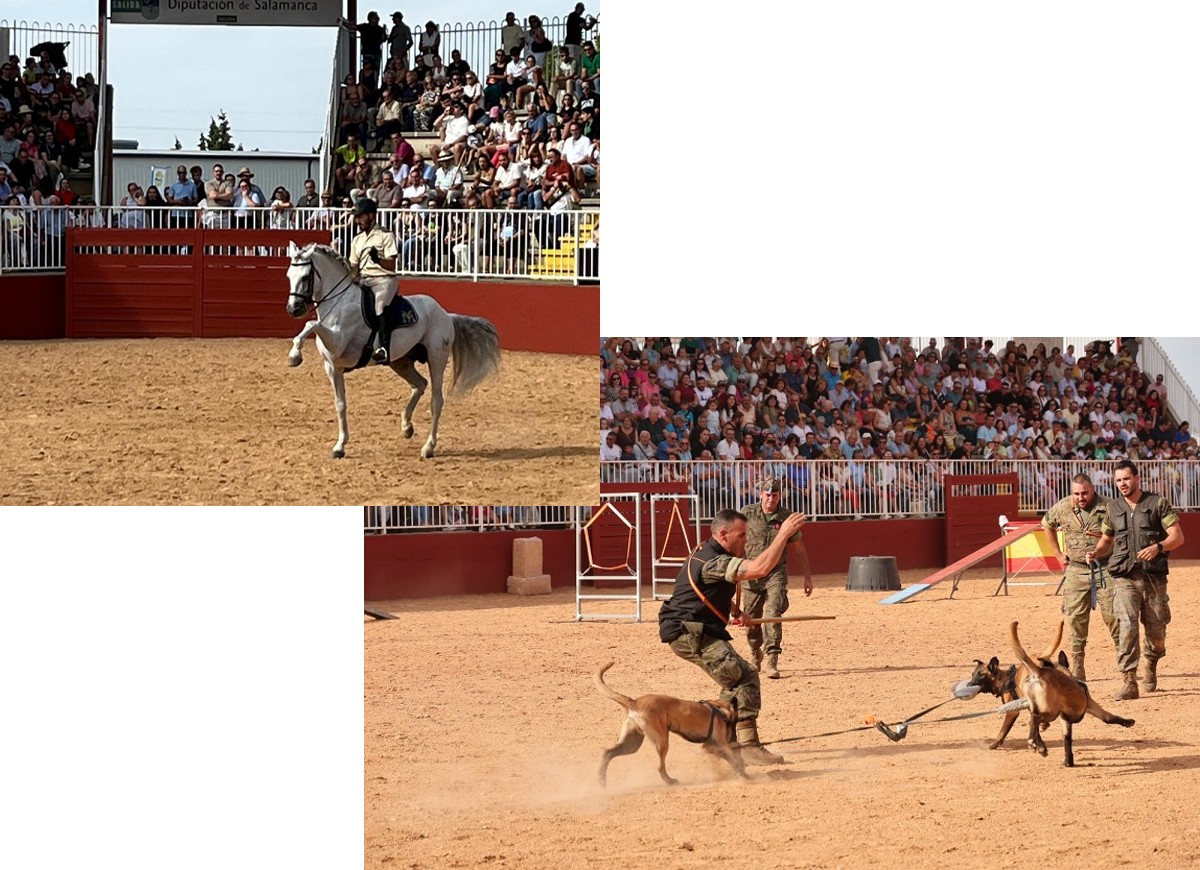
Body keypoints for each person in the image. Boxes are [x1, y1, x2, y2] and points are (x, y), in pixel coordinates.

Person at [657, 507, 807, 765]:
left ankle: (718, 741)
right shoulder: (714, 561)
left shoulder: (708, 551)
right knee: (746, 676)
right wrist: (782, 536)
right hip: (690, 632)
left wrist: (736, 611)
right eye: (742, 535)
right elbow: (759, 568)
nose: (746, 541)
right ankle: (748, 746)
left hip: (694, 628)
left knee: (732, 680)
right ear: (724, 534)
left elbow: (706, 591)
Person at [1091, 459, 1185, 700]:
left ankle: (1151, 664)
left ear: (1136, 478)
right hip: (1124, 577)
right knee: (1127, 625)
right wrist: (1096, 552)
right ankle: (1129, 679)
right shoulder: (1113, 508)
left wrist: (1159, 547)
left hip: (1153, 578)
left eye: (1126, 478)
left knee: (1157, 633)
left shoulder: (1156, 504)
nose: (1123, 483)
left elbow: (1177, 536)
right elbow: (1107, 540)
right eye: (1118, 480)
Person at [1042, 473, 1119, 682]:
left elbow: (1123, 533)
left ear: (1093, 490)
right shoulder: (1063, 507)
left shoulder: (1109, 506)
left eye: (1084, 493)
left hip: (1105, 568)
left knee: (1115, 617)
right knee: (1075, 619)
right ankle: (1078, 666)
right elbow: (1046, 524)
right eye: (1076, 494)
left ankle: (1125, 666)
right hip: (1076, 570)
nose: (1080, 497)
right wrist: (1057, 554)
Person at [740, 476, 814, 679]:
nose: (770, 499)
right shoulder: (747, 514)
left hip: (776, 573)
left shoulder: (787, 518)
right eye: (767, 495)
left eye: (774, 495)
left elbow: (799, 549)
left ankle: (772, 659)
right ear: (760, 494)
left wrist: (807, 577)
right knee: (751, 620)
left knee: (772, 613)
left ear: (779, 496)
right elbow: (736, 542)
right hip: (751, 573)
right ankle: (756, 652)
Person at [347, 197, 400, 363]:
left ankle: (384, 348)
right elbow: (353, 266)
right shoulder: (357, 239)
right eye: (356, 217)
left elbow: (391, 265)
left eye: (360, 217)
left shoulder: (386, 235)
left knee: (380, 306)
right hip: (364, 280)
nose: (357, 221)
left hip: (384, 279)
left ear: (370, 216)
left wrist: (378, 260)